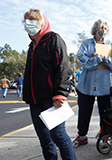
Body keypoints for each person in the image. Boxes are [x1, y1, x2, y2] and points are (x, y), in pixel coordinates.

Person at [22, 9, 77, 160]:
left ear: (42, 22)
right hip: (35, 100)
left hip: (52, 99)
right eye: (26, 21)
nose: (29, 23)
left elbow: (63, 68)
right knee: (44, 139)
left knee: (58, 135)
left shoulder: (53, 39)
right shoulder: (31, 47)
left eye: (32, 20)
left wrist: (60, 94)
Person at [73, 19, 112, 148]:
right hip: (86, 86)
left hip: (105, 86)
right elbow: (84, 62)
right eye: (100, 28)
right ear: (95, 29)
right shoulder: (86, 44)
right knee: (84, 112)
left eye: (105, 28)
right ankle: (82, 136)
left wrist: (104, 58)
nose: (103, 30)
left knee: (105, 113)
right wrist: (98, 59)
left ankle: (105, 136)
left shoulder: (111, 45)